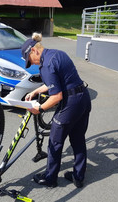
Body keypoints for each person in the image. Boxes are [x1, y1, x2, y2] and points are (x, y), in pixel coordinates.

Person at [21, 33, 91, 188]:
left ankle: (50, 178)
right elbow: (55, 82)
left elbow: (56, 96)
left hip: (70, 103)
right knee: (78, 139)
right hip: (83, 98)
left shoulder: (46, 65)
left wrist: (39, 108)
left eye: (30, 60)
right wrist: (36, 91)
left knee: (55, 141)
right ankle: (78, 177)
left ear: (34, 51)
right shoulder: (57, 54)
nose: (31, 64)